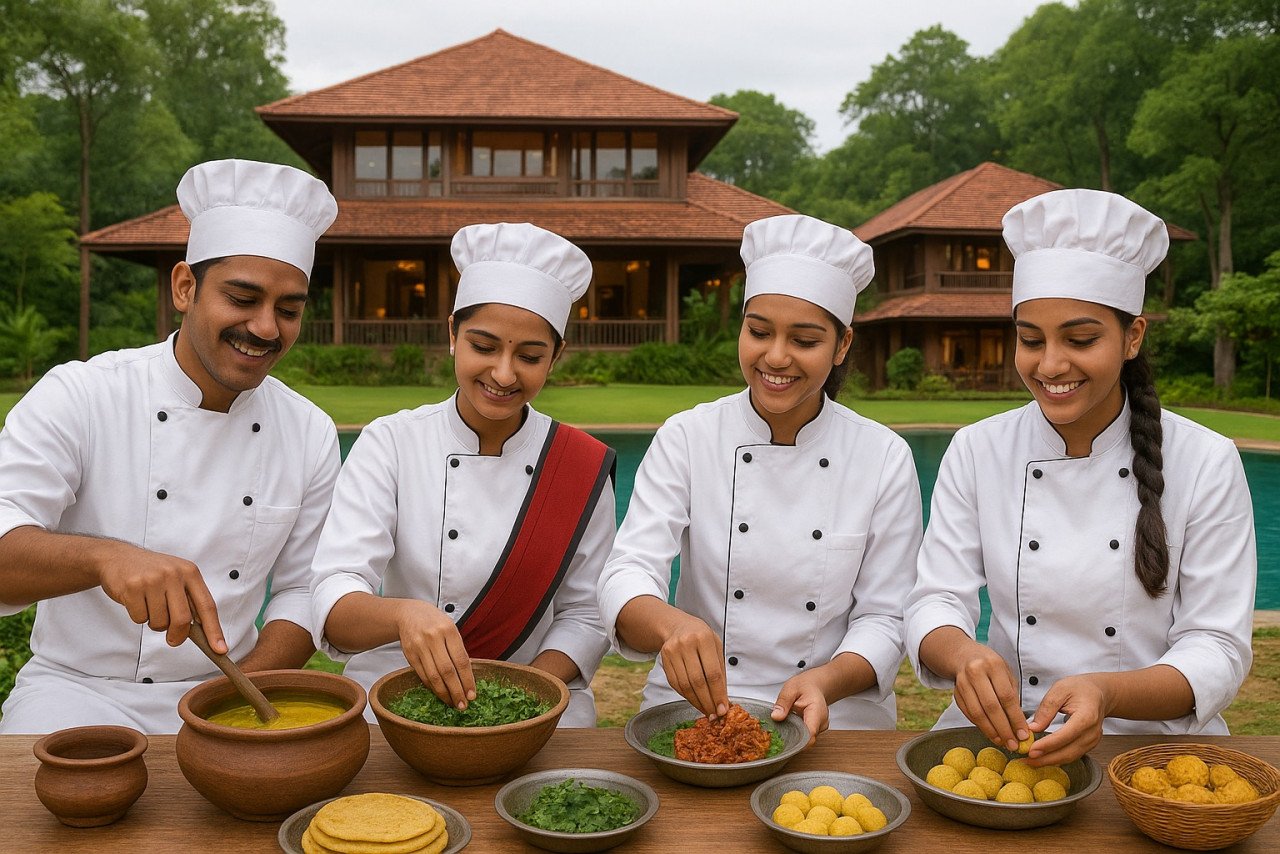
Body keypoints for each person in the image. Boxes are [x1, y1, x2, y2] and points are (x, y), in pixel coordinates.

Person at [905, 189, 1257, 766]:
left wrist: (1107, 692)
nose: (1050, 366)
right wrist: (962, 654)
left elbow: (1217, 648)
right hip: (1007, 739)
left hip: (1153, 750)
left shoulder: (1206, 460)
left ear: (1133, 336)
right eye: (1030, 340)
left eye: (1080, 339)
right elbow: (935, 598)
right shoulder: (978, 449)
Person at [0, 159, 341, 733]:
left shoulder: (308, 431)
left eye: (288, 310)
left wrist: (233, 701)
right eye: (242, 298)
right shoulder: (82, 394)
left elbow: (306, 591)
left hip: (224, 695)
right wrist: (106, 558)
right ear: (185, 287)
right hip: (73, 692)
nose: (265, 328)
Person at [597, 214, 922, 743]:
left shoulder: (882, 455)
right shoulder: (688, 436)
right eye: (759, 331)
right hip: (695, 703)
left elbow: (887, 617)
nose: (776, 357)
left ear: (841, 347)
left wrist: (826, 680)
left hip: (837, 713)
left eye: (805, 340)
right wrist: (671, 626)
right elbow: (627, 571)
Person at [310, 222, 615, 727]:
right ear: (452, 334)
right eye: (484, 346)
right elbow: (335, 596)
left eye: (530, 356)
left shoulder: (580, 464)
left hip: (539, 709)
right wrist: (404, 615)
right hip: (395, 699)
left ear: (556, 357)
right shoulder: (392, 442)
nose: (503, 373)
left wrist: (525, 697)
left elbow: (586, 613)